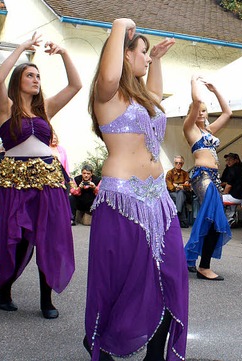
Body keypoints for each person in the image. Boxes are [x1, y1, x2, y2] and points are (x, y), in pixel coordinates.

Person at [84, 19, 187, 360]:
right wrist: (119, 26)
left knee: (169, 273)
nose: (145, 58)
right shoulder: (107, 95)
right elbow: (110, 76)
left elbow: (156, 99)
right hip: (122, 198)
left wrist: (156, 59)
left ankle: (155, 355)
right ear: (124, 55)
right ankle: (100, 339)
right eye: (141, 53)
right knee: (124, 280)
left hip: (159, 198)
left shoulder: (140, 101)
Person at [0, 32, 81, 320]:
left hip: (48, 181)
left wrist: (64, 52)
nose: (36, 79)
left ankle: (46, 299)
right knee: (20, 239)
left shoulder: (45, 110)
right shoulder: (6, 109)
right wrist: (22, 49)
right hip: (15, 182)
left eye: (38, 75)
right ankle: (5, 289)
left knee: (48, 238)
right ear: (20, 81)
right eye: (30, 75)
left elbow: (76, 85)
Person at [183, 74, 232, 281]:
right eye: (199, 111)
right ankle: (204, 266)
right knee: (214, 219)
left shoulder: (208, 131)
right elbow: (195, 102)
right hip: (202, 176)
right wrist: (193, 82)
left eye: (204, 110)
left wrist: (215, 90)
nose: (202, 113)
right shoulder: (190, 129)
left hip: (214, 178)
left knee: (211, 219)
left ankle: (192, 259)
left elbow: (228, 112)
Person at [165, 155, 191, 228]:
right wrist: (178, 186)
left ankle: (176, 214)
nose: (178, 164)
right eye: (176, 163)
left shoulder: (185, 173)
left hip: (183, 193)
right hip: (173, 193)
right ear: (174, 163)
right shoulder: (169, 173)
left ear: (182, 164)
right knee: (179, 197)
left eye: (180, 163)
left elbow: (187, 186)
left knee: (181, 193)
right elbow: (170, 187)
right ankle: (182, 220)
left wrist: (177, 185)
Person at [221, 152, 242, 224]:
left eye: (230, 160)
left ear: (235, 160)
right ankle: (231, 217)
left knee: (217, 198)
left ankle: (226, 218)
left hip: (236, 197)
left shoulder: (233, 169)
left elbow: (229, 186)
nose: (228, 161)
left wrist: (223, 193)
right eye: (227, 160)